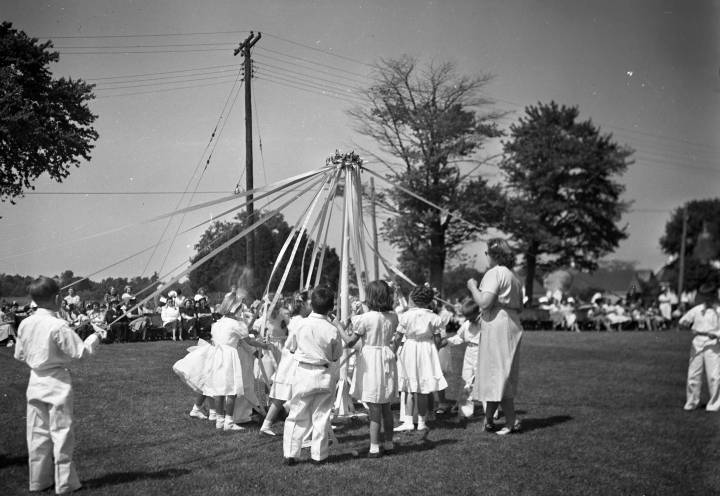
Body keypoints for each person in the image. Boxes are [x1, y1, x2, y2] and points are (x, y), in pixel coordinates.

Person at [13, 277, 105, 494]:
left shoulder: (25, 323)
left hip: (35, 382)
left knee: (36, 433)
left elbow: (19, 354)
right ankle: (65, 483)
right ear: (57, 298)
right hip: (56, 383)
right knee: (61, 433)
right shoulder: (58, 325)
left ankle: (39, 481)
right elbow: (80, 353)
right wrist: (95, 337)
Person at [467, 238, 524, 435]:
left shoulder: (494, 273)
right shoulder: (513, 276)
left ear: (494, 255)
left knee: (498, 372)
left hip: (498, 325)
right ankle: (489, 419)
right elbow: (521, 306)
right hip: (511, 322)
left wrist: (473, 286)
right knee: (495, 371)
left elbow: (484, 302)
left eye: (487, 253)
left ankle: (511, 421)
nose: (486, 256)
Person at [283, 286, 343, 465]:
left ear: (311, 304)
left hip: (304, 373)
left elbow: (290, 346)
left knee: (297, 413)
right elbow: (335, 355)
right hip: (324, 373)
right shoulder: (332, 329)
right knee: (322, 416)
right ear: (331, 308)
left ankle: (291, 454)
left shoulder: (300, 324)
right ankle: (319, 455)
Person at [338, 280, 398, 458]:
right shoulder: (393, 316)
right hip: (386, 356)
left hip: (371, 360)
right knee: (386, 405)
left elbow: (349, 341)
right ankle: (389, 443)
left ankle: (374, 446)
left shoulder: (365, 319)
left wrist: (339, 326)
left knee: (374, 408)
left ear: (370, 298)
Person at [203, 293, 268, 431]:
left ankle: (220, 420)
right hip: (229, 355)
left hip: (216, 355)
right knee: (231, 390)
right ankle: (229, 421)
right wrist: (263, 346)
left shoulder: (217, 323)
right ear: (236, 308)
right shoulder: (237, 324)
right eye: (240, 307)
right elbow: (248, 341)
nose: (241, 310)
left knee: (219, 389)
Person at [393, 285, 447, 433]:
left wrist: (392, 351)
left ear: (412, 299)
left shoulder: (406, 316)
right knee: (423, 389)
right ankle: (422, 422)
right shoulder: (434, 317)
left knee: (409, 387)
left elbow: (398, 337)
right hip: (427, 350)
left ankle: (409, 421)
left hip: (410, 348)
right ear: (430, 300)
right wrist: (438, 346)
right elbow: (437, 340)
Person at [260, 290, 311, 436]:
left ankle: (267, 423)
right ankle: (300, 424)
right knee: (295, 392)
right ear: (302, 306)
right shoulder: (301, 321)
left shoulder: (295, 320)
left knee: (282, 394)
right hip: (293, 360)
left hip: (288, 358)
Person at [679, 283, 720, 411]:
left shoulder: (718, 311)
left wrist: (716, 334)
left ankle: (714, 404)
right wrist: (684, 323)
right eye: (704, 296)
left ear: (713, 296)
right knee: (693, 375)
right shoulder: (697, 310)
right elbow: (683, 321)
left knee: (714, 376)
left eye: (708, 296)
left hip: (712, 345)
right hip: (697, 345)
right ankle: (691, 402)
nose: (706, 299)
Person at [444, 297, 482, 419]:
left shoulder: (485, 323)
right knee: (466, 380)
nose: (468, 319)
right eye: (467, 317)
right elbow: (459, 338)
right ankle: (466, 411)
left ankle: (491, 411)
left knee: (477, 382)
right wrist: (447, 341)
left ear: (477, 313)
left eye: (470, 316)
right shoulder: (466, 324)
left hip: (482, 353)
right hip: (469, 353)